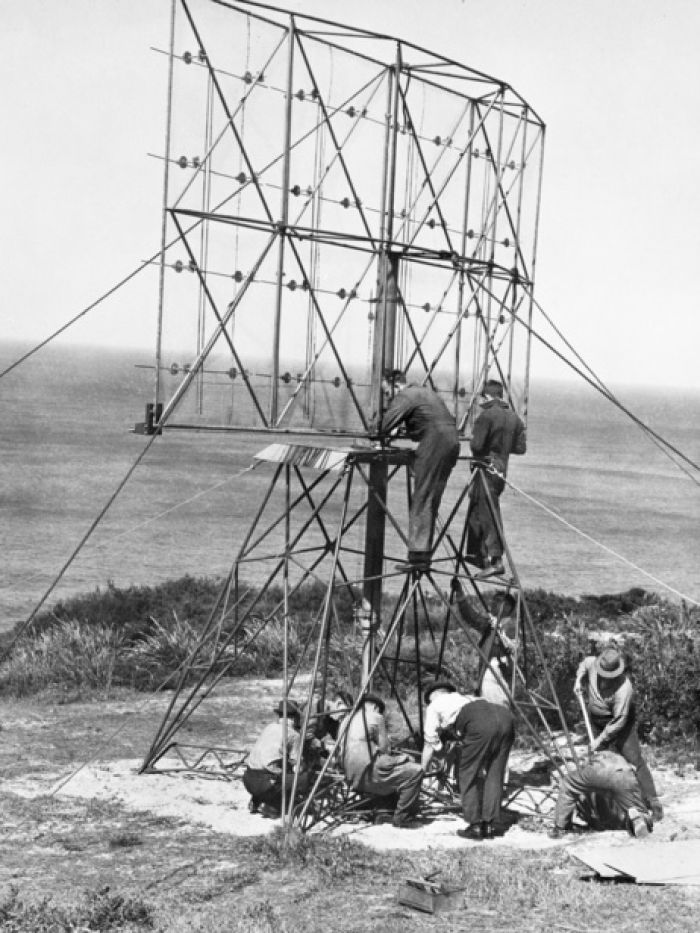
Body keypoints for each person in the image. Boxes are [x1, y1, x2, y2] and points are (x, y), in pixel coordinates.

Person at [378, 369, 460, 572]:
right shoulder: (426, 393)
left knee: (422, 498)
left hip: (435, 442)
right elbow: (427, 420)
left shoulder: (405, 395)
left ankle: (417, 558)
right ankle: (423, 555)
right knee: (431, 499)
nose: (387, 396)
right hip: (451, 442)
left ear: (394, 384)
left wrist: (382, 428)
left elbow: (385, 425)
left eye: (387, 392)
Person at [574, 645, 663, 821]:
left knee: (634, 761)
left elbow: (619, 721)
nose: (604, 680)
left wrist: (599, 740)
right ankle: (613, 808)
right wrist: (578, 680)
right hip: (598, 721)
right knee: (607, 764)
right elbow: (584, 664)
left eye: (609, 677)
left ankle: (653, 803)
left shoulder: (624, 688)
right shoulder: (593, 664)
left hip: (620, 725)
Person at [421, 681, 515, 840]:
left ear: (434, 696)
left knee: (467, 774)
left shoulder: (434, 705)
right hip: (505, 717)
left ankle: (475, 825)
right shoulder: (466, 697)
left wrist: (423, 769)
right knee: (494, 774)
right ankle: (490, 824)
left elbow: (429, 741)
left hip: (479, 723)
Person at [467, 377, 526, 577]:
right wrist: (502, 446)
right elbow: (520, 448)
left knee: (488, 512)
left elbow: (475, 446)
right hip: (500, 470)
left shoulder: (486, 416)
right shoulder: (514, 418)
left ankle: (495, 559)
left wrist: (486, 444)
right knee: (477, 506)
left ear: (488, 396)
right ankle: (475, 553)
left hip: (486, 469)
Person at [341, 693, 424, 828]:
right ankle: (403, 818)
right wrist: (402, 757)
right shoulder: (376, 717)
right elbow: (385, 748)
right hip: (367, 770)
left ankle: (385, 806)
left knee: (391, 767)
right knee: (415, 771)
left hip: (349, 772)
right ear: (374, 707)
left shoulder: (346, 719)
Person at [549, 750, 653, 839]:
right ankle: (641, 820)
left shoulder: (593, 759)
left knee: (569, 783)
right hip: (626, 771)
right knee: (636, 808)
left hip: (600, 770)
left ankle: (561, 828)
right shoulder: (617, 754)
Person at [451, 578, 518, 706]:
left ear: (508, 607)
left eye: (498, 601)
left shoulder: (510, 625)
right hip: (486, 676)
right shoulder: (490, 624)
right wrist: (459, 592)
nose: (492, 603)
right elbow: (471, 616)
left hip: (499, 678)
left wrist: (499, 630)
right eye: (494, 600)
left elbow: (512, 648)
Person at [242, 700, 311, 817]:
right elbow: (297, 766)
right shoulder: (294, 735)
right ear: (294, 718)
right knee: (304, 778)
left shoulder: (269, 727)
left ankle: (257, 800)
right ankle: (273, 806)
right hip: (267, 785)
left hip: (248, 779)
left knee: (275, 768)